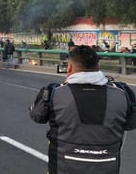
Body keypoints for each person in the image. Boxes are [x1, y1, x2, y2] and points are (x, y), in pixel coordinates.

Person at [29, 45, 136, 174]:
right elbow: (131, 124)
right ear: (98, 67)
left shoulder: (53, 92)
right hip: (107, 166)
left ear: (69, 68)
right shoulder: (122, 93)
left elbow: (37, 116)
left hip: (63, 167)